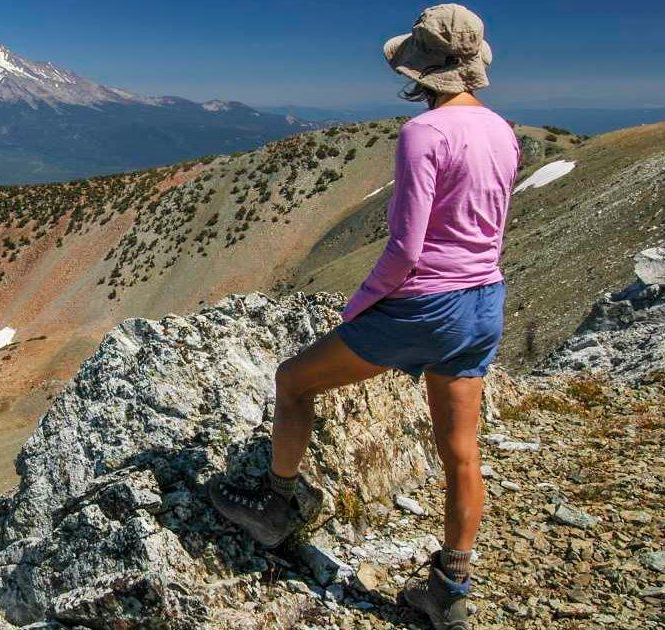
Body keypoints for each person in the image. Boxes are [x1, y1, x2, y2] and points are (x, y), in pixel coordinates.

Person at [208, 4, 518, 629]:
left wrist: (361, 305)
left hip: (424, 305)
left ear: (420, 70)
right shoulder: (504, 132)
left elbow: (406, 248)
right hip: (484, 302)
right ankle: (450, 590)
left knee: (294, 381)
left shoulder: (423, 135)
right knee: (461, 451)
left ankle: (276, 508)